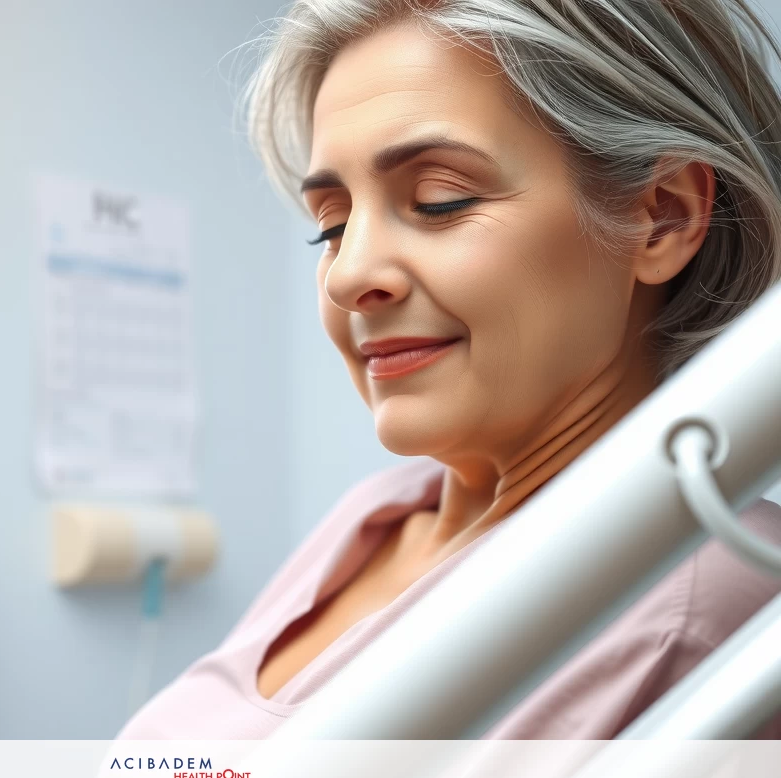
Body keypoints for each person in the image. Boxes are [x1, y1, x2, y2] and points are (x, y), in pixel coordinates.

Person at [115, 0, 781, 740]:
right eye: (332, 228)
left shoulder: (704, 607)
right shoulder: (379, 515)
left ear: (662, 217)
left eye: (440, 200)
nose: (347, 276)